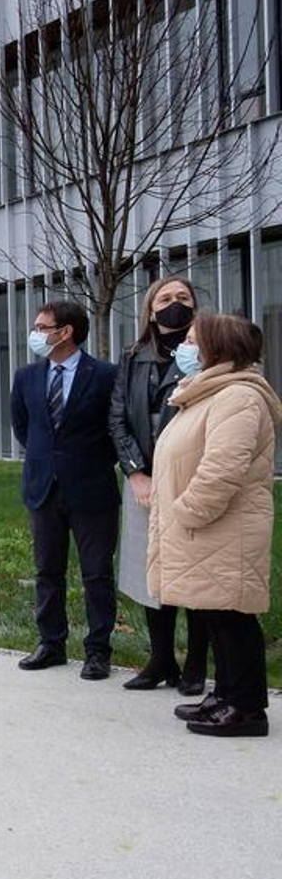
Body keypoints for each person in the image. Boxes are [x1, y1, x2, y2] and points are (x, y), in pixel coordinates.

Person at [149, 313, 281, 738]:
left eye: (192, 340)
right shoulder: (207, 393)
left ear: (218, 347)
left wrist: (186, 511)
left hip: (221, 525)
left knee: (232, 617)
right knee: (214, 614)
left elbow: (223, 468)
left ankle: (246, 708)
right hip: (205, 528)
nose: (184, 347)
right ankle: (224, 695)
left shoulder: (238, 397)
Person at [108, 276, 209, 694]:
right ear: (150, 310)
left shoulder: (210, 354)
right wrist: (135, 472)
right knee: (153, 573)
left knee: (198, 574)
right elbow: (117, 418)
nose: (174, 304)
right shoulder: (134, 357)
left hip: (193, 480)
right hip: (144, 483)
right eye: (164, 299)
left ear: (195, 307)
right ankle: (161, 659)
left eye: (182, 298)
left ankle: (197, 664)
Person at [10, 299, 120, 680]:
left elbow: (115, 429)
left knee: (97, 574)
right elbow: (23, 427)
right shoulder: (26, 377)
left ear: (66, 332)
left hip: (92, 489)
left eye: (42, 327)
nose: (36, 334)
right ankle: (51, 643)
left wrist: (85, 461)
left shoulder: (106, 375)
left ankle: (98, 651)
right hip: (43, 488)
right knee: (48, 571)